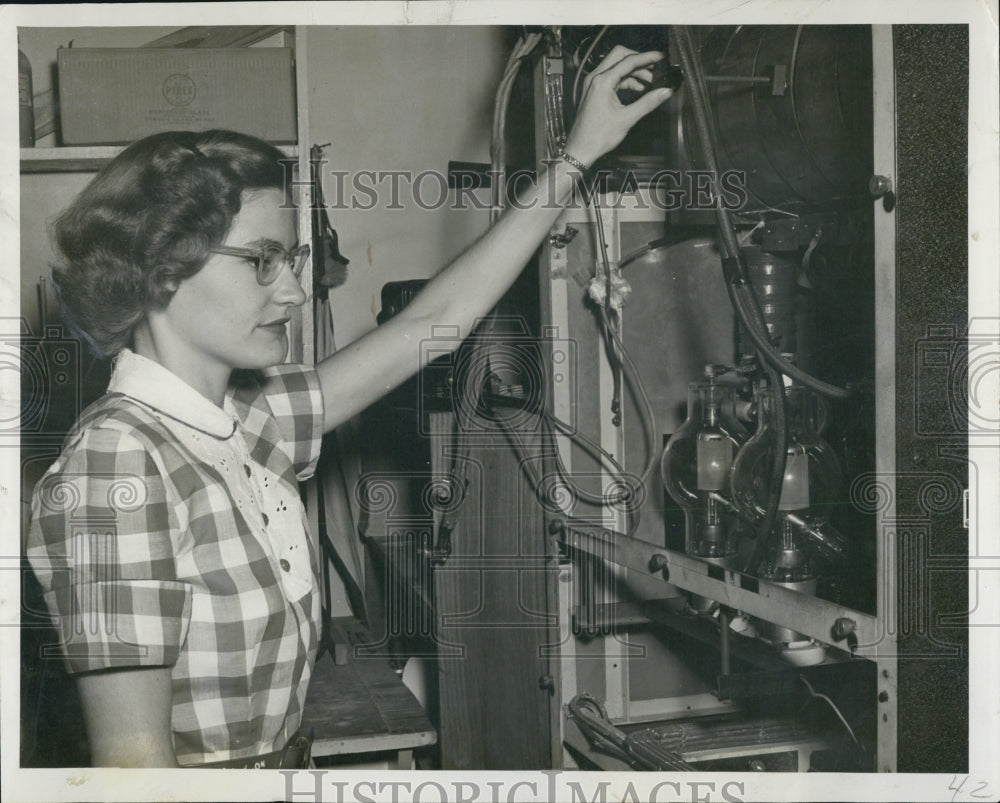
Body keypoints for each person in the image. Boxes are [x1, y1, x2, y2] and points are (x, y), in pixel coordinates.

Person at [26, 47, 672, 768]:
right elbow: (136, 775)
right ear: (156, 268)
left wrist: (577, 154)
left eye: (293, 261)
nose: (295, 293)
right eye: (261, 260)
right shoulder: (120, 463)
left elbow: (436, 324)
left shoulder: (248, 421)